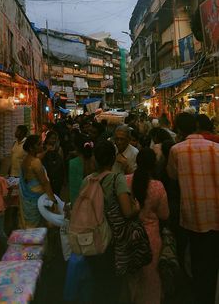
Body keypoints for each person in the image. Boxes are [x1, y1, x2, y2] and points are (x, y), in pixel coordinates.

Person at [167, 112, 219, 304]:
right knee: (213, 257)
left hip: (193, 215)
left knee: (198, 259)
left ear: (179, 130)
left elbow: (172, 175)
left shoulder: (176, 150)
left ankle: (201, 294)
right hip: (215, 212)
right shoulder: (216, 148)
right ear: (197, 126)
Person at [83, 140, 140, 304]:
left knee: (98, 280)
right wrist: (137, 208)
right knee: (112, 282)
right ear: (112, 159)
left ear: (95, 159)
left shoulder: (87, 180)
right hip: (113, 238)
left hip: (93, 235)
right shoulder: (117, 179)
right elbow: (127, 211)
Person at [129, 148, 169, 304]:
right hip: (151, 236)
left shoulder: (124, 180)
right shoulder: (158, 186)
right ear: (154, 165)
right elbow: (165, 214)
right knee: (151, 276)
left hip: (128, 234)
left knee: (131, 276)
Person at [19, 135, 57, 229]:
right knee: (39, 227)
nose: (42, 145)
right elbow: (44, 183)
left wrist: (46, 151)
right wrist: (53, 200)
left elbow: (38, 158)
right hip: (37, 199)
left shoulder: (26, 160)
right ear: (32, 148)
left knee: (31, 226)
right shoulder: (36, 162)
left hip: (28, 199)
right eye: (39, 144)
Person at [69, 133, 95, 205]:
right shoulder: (94, 160)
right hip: (94, 198)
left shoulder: (73, 163)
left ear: (75, 146)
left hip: (80, 202)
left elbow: (74, 189)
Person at [41, 131, 65, 196]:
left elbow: (62, 163)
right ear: (47, 138)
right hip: (46, 175)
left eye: (55, 139)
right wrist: (46, 150)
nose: (54, 140)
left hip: (57, 177)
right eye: (52, 138)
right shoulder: (42, 148)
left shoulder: (58, 148)